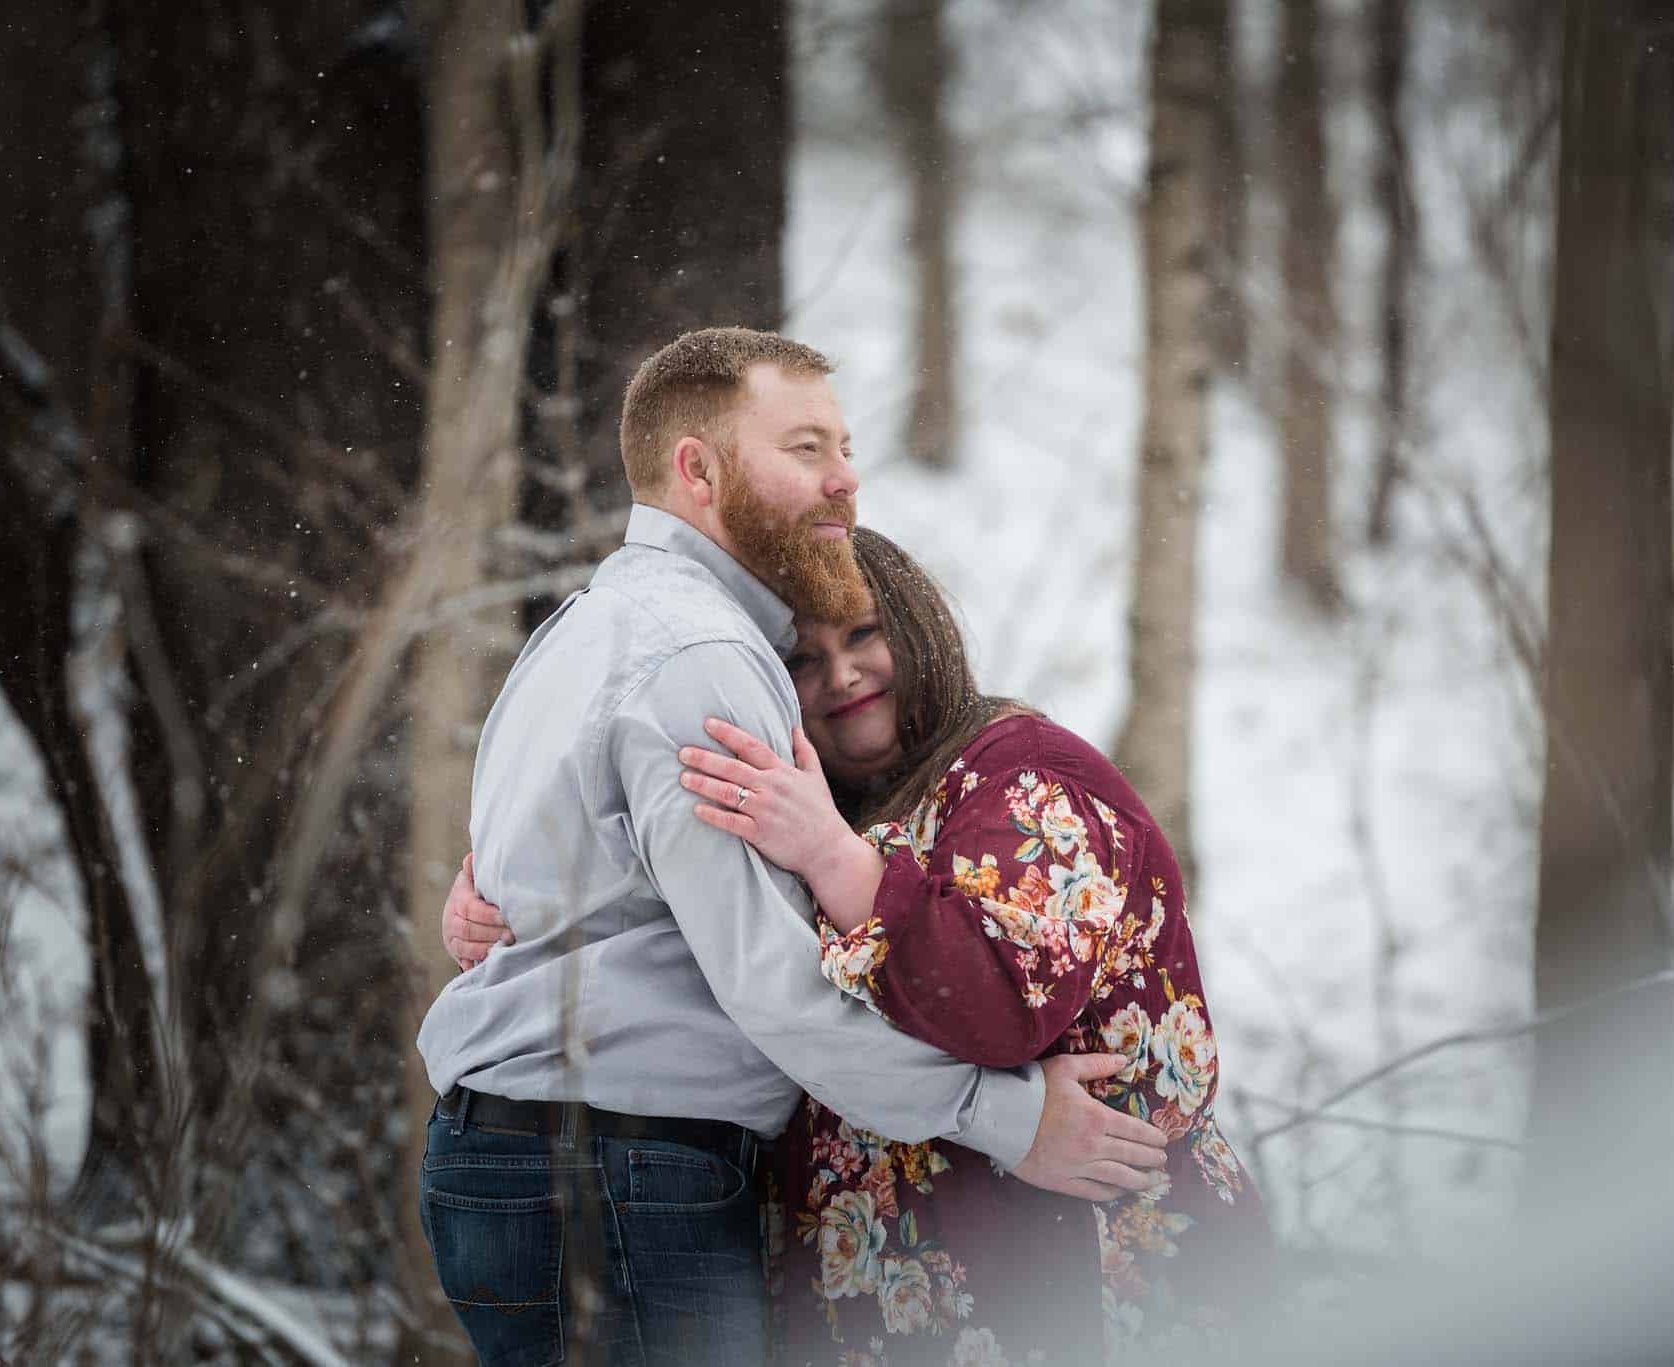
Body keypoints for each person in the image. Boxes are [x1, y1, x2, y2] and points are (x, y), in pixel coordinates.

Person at [414, 327, 1170, 1367]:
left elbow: (552, 878)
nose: (844, 479)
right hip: (615, 1165)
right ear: (698, 469)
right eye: (805, 448)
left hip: (526, 1152)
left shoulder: (588, 623)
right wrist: (1007, 1118)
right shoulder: (703, 658)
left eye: (845, 447)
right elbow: (770, 981)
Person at [448, 526, 1268, 1364]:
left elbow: (996, 1002)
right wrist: (506, 903)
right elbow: (700, 941)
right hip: (900, 1310)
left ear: (918, 626)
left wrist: (836, 857)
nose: (841, 674)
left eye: (865, 634)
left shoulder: (1018, 770)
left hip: (1078, 1282)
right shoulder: (804, 815)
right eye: (803, 660)